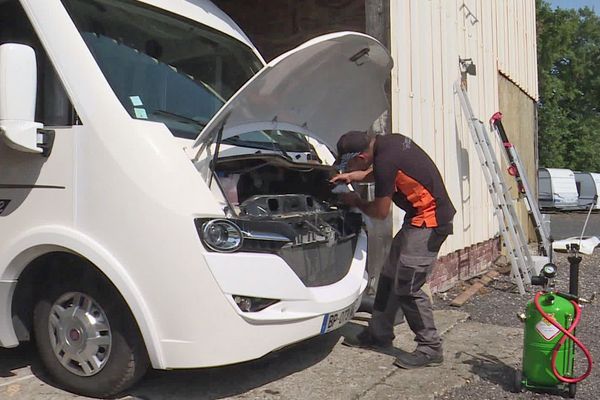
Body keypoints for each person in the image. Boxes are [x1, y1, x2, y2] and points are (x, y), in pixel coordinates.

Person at [331, 131, 456, 369]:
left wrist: (355, 201)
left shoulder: (387, 160)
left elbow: (380, 212)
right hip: (416, 220)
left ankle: (430, 348)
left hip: (430, 223)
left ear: (361, 155)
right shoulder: (389, 143)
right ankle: (379, 334)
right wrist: (350, 176)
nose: (352, 166)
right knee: (389, 275)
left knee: (409, 285)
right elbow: (374, 172)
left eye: (351, 162)